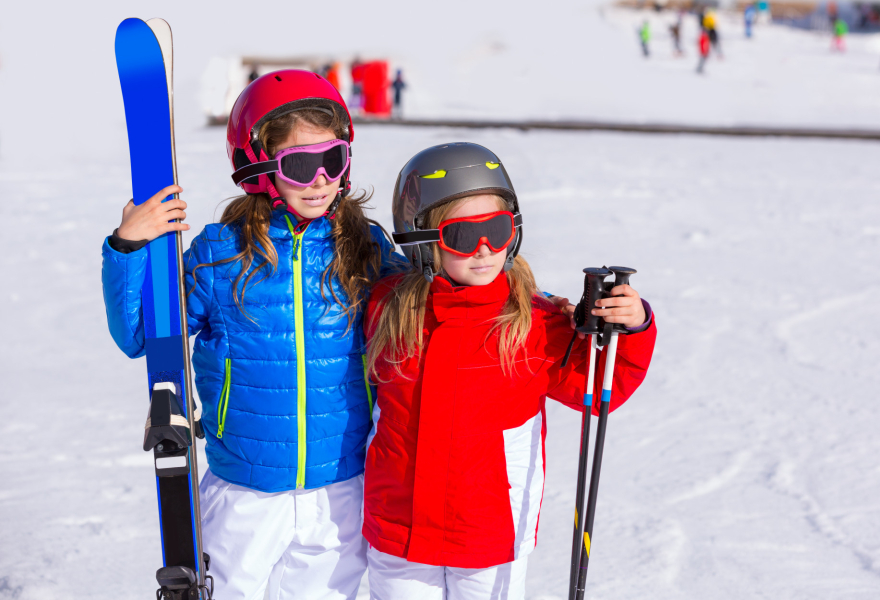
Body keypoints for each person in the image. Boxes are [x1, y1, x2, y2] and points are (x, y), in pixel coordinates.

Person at [101, 70, 407, 600]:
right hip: (243, 489)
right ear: (257, 167)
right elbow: (141, 337)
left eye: (332, 160)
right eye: (300, 164)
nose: (320, 180)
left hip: (341, 488)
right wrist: (129, 247)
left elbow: (426, 313)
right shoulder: (221, 255)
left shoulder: (366, 250)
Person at [361, 142, 657, 599]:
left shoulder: (532, 322)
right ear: (420, 240)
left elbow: (600, 389)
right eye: (461, 236)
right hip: (400, 530)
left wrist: (629, 328)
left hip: (488, 535)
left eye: (496, 231)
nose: (484, 250)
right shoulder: (388, 309)